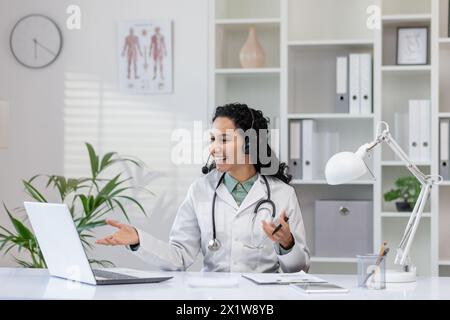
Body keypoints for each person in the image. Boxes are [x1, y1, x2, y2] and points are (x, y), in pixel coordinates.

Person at [96, 103, 310, 273]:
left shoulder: (282, 194)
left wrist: (287, 243)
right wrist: (138, 239)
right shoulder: (200, 190)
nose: (214, 148)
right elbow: (179, 256)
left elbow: (300, 270)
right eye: (212, 139)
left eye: (224, 139)